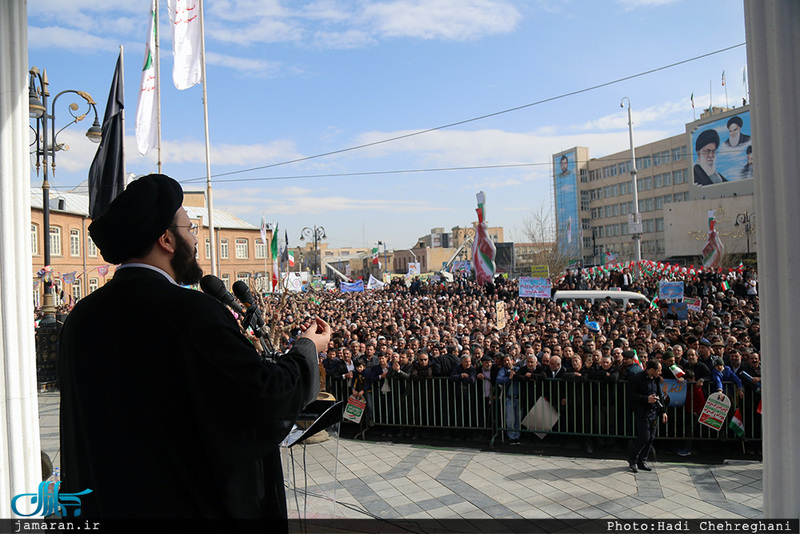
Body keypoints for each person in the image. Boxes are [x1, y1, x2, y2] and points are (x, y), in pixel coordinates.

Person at [58, 174, 329, 528]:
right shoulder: (190, 312)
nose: (196, 239)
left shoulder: (82, 318)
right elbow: (264, 397)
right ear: (167, 239)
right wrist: (308, 349)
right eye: (191, 228)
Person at [627, 360, 668, 473]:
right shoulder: (636, 379)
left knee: (651, 438)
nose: (660, 372)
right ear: (651, 370)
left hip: (653, 412)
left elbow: (659, 395)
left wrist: (663, 411)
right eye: (658, 370)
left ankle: (642, 459)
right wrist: (646, 399)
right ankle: (633, 459)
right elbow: (631, 395)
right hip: (642, 412)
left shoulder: (656, 380)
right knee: (644, 436)